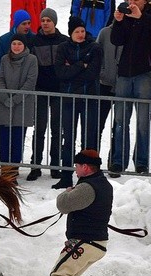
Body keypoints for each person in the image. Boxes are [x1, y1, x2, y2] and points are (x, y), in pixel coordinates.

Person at [108, 0, 151, 177]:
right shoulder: (126, 14)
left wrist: (141, 18)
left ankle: (141, 163)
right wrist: (118, 22)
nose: (133, 2)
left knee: (142, 123)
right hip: (125, 73)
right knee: (119, 121)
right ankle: (118, 161)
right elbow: (116, 40)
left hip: (146, 74)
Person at [50, 149, 113, 276]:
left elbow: (63, 205)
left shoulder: (87, 187)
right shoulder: (102, 184)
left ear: (85, 167)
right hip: (94, 242)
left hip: (87, 241)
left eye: (76, 166)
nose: (75, 170)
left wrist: (66, 193)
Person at [53, 16, 102, 189]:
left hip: (89, 98)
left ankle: (89, 177)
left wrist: (72, 68)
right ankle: (66, 175)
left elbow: (92, 74)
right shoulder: (63, 47)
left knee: (89, 139)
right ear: (70, 33)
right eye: (76, 32)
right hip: (68, 99)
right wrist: (82, 64)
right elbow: (60, 73)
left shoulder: (95, 47)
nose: (80, 34)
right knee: (69, 139)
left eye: (82, 31)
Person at [27, 7, 69, 181]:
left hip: (59, 91)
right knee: (40, 129)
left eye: (48, 20)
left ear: (54, 22)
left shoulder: (64, 41)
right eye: (43, 20)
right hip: (41, 90)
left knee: (57, 130)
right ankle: (35, 165)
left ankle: (54, 165)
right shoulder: (34, 42)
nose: (45, 23)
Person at [0, 8, 34, 162]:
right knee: (1, 129)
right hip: (6, 93)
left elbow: (31, 77)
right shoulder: (4, 40)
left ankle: (13, 166)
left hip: (22, 97)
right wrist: (6, 88)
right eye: (24, 23)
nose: (27, 26)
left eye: (29, 23)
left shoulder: (31, 40)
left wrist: (17, 95)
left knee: (17, 134)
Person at [0, 33, 38, 182]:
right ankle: (6, 170)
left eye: (19, 44)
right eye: (14, 44)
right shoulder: (4, 59)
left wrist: (16, 99)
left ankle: (13, 170)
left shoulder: (31, 60)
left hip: (22, 106)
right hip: (4, 103)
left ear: (24, 45)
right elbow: (1, 78)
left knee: (17, 140)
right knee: (4, 138)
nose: (16, 46)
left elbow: (30, 82)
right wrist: (4, 96)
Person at [95, 22, 122, 143]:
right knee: (97, 125)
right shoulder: (105, 32)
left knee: (119, 127)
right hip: (104, 84)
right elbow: (96, 54)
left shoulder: (131, 33)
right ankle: (93, 158)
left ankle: (115, 161)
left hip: (123, 85)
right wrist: (102, 72)